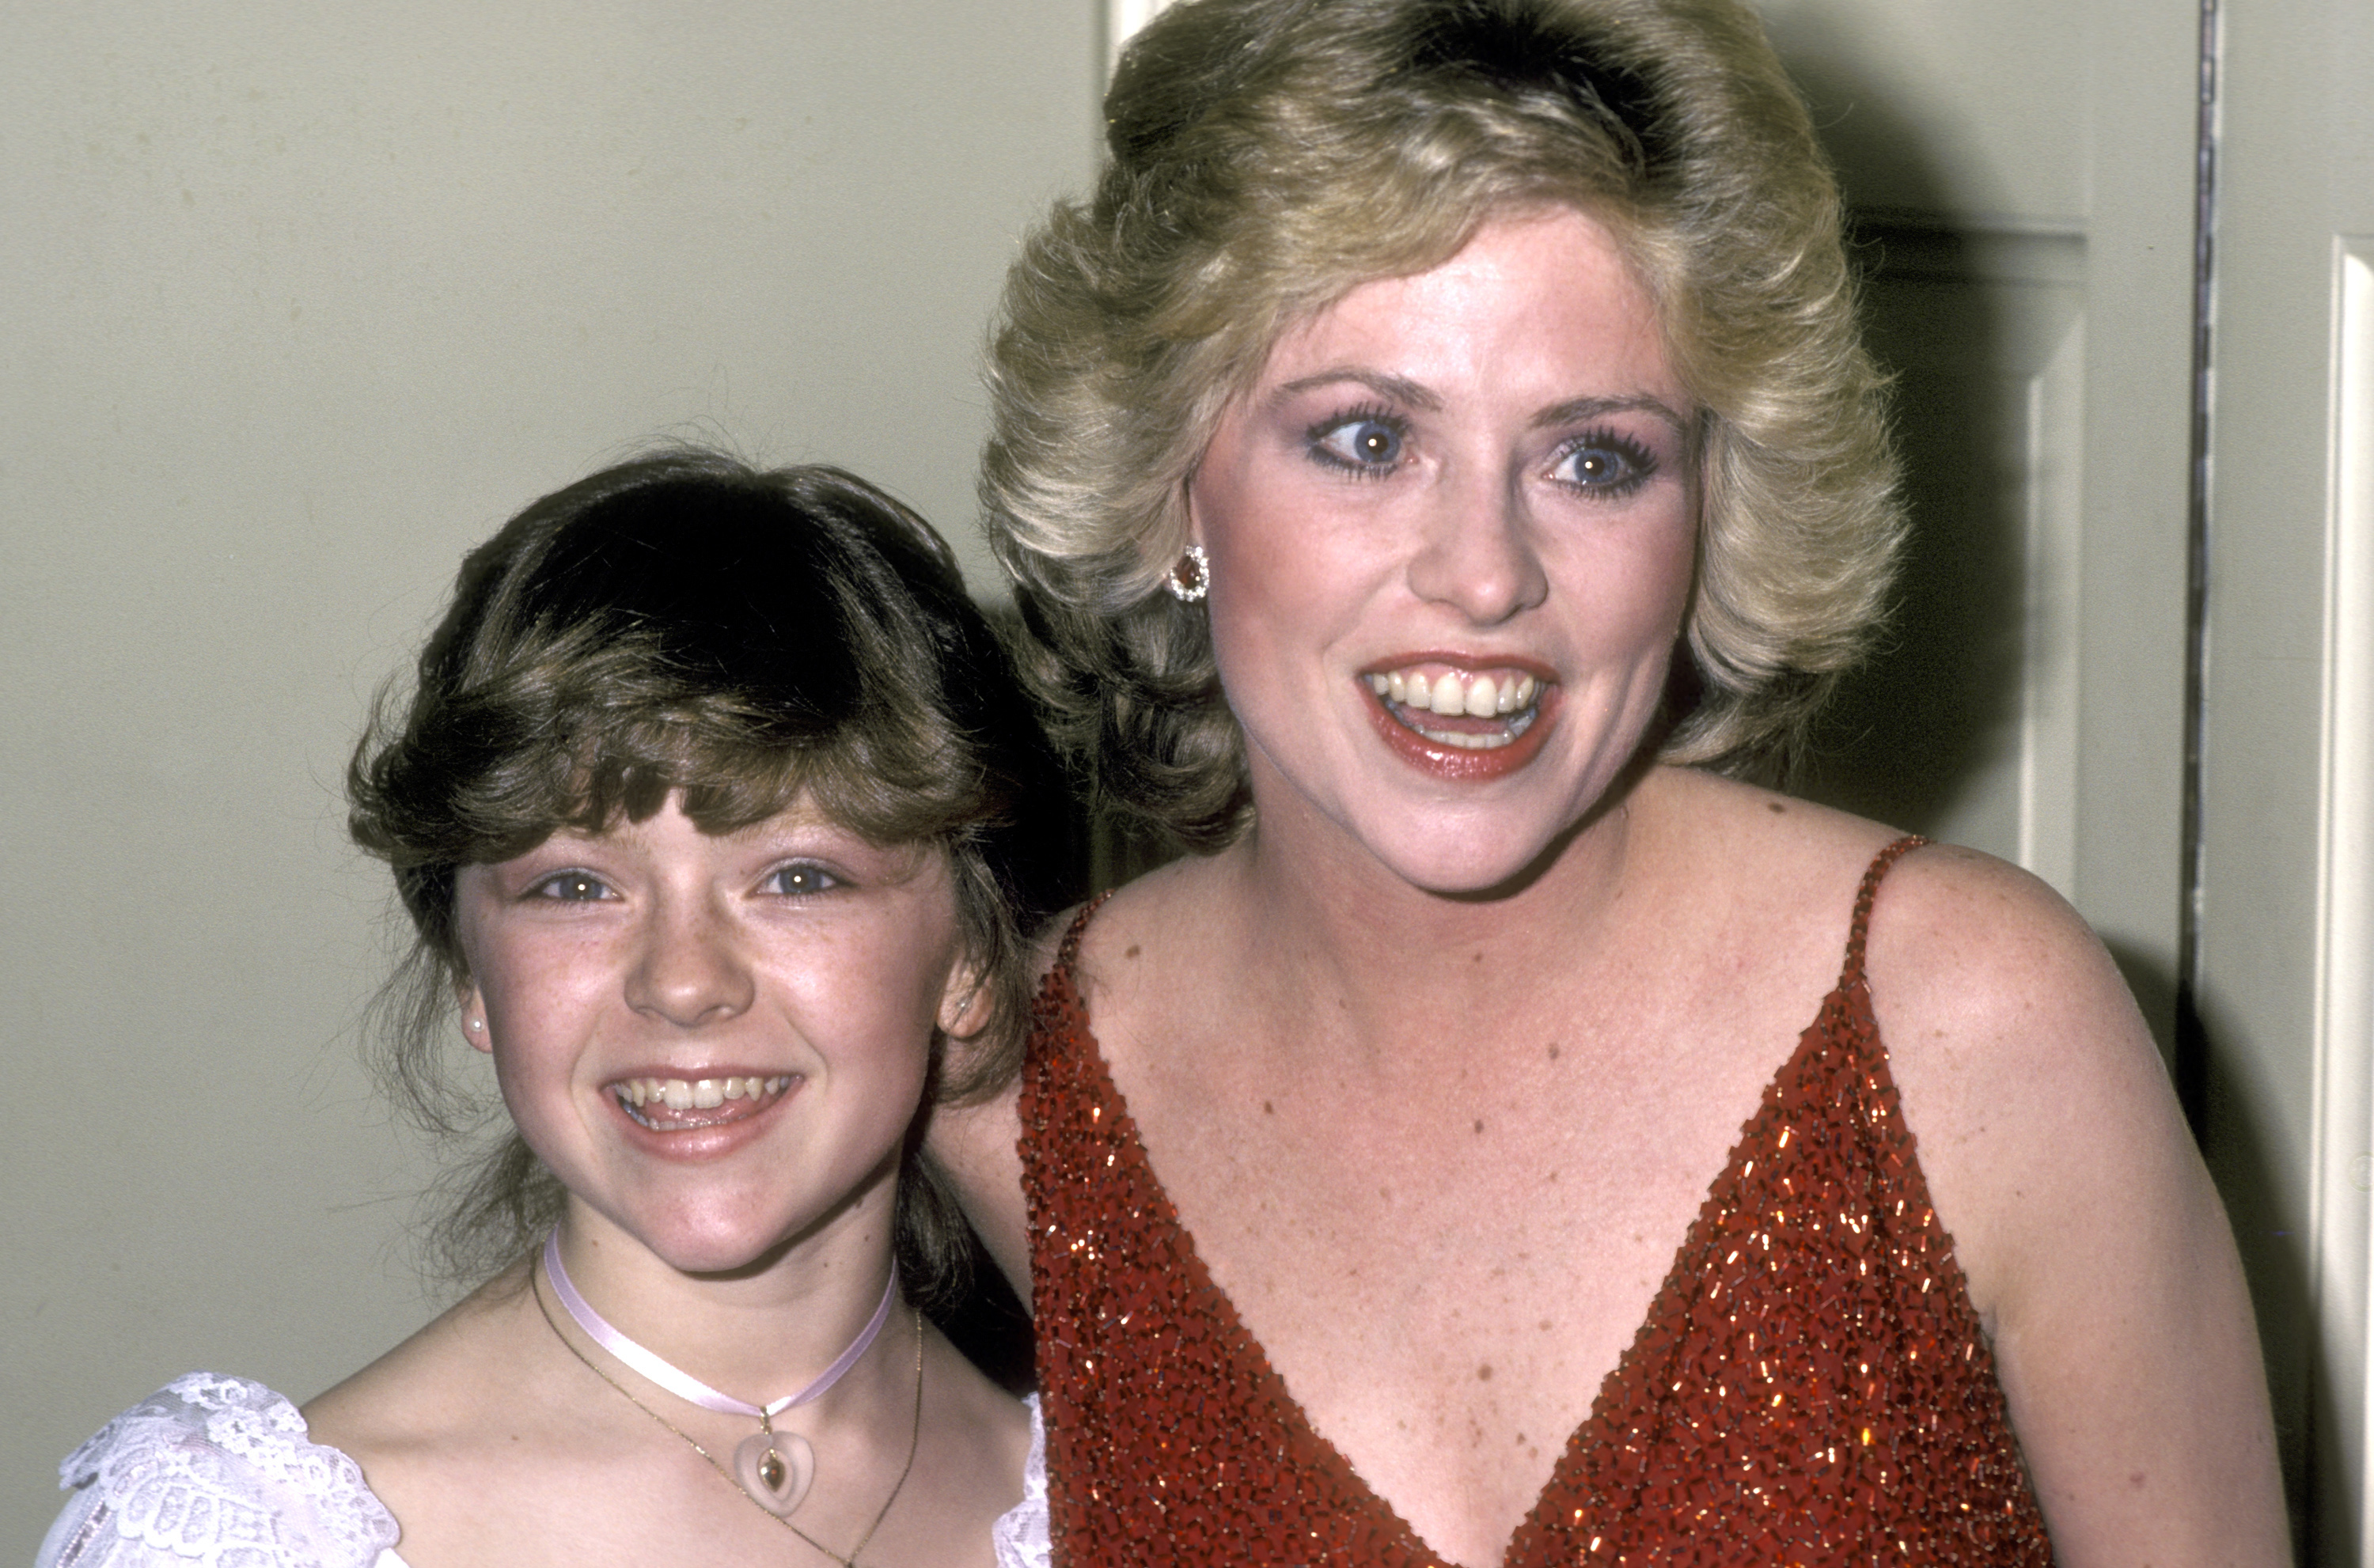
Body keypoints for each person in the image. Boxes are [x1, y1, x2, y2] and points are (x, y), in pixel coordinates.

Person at [933, 0, 2290, 1562]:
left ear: (1715, 510)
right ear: (1169, 474)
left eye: (1594, 460)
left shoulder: (1971, 1031)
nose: (1487, 573)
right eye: (1369, 438)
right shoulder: (1021, 1092)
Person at [42, 452, 1071, 1568]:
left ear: (970, 953)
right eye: (574, 886)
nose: (681, 982)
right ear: (470, 975)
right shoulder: (239, 1540)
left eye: (798, 877)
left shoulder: (1126, 1510)